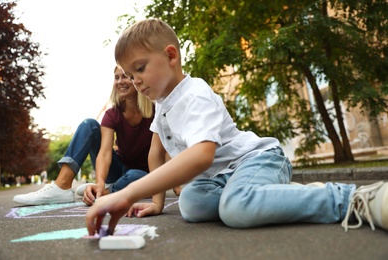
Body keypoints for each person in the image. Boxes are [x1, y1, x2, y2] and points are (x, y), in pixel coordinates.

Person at [85, 19, 388, 236]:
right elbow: (155, 154)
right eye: (128, 74)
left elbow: (202, 156)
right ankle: (272, 196)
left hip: (256, 159)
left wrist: (128, 193)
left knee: (236, 209)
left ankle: (348, 198)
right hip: (221, 178)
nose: (135, 80)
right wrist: (156, 202)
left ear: (171, 55)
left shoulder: (195, 95)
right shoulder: (163, 104)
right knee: (191, 204)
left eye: (139, 68)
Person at [14, 66, 156, 206]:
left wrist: (175, 185)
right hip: (117, 169)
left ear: (137, 79)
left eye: (124, 76)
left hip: (144, 175)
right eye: (116, 77)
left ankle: (107, 191)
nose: (119, 81)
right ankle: (63, 185)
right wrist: (100, 182)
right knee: (89, 124)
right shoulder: (112, 114)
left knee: (135, 175)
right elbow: (105, 153)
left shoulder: (156, 110)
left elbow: (164, 149)